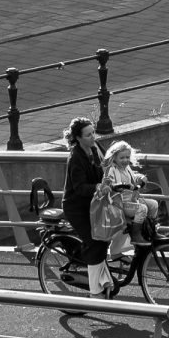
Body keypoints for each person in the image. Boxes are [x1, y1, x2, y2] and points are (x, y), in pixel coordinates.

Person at [60, 116, 111, 297]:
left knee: (106, 235)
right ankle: (94, 291)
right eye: (88, 135)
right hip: (76, 207)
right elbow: (79, 187)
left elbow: (107, 167)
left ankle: (104, 280)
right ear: (78, 138)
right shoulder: (75, 157)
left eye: (93, 133)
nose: (93, 137)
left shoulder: (95, 149)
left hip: (92, 203)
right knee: (94, 241)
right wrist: (98, 187)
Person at [102, 140, 158, 256]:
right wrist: (117, 186)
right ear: (114, 158)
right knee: (141, 209)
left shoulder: (127, 169)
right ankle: (136, 235)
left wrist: (141, 177)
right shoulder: (112, 170)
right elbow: (108, 182)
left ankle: (151, 231)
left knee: (153, 204)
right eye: (122, 158)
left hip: (131, 200)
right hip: (120, 202)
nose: (125, 160)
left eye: (127, 157)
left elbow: (132, 177)